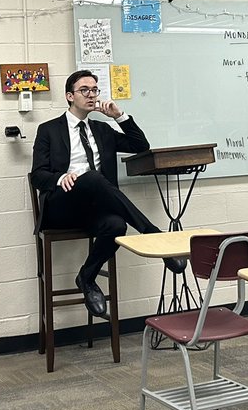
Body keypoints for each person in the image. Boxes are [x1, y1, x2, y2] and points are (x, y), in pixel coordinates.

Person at [30, 70, 183, 318]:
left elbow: (140, 147)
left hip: (95, 208)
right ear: (70, 96)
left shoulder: (102, 130)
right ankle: (152, 235)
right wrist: (60, 177)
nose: (91, 95)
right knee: (90, 177)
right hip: (62, 207)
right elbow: (37, 175)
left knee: (116, 225)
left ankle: (87, 278)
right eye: (84, 90)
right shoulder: (48, 130)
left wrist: (120, 117)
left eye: (94, 90)